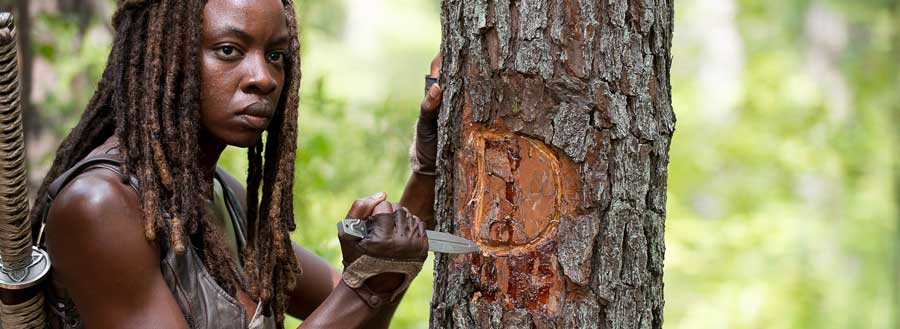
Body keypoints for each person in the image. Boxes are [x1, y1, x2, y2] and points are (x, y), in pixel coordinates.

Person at [27, 0, 443, 328]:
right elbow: (355, 299)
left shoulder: (218, 194)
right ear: (168, 52)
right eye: (229, 50)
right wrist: (364, 287)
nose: (263, 77)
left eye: (277, 55)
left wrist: (426, 170)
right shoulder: (99, 205)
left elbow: (357, 314)